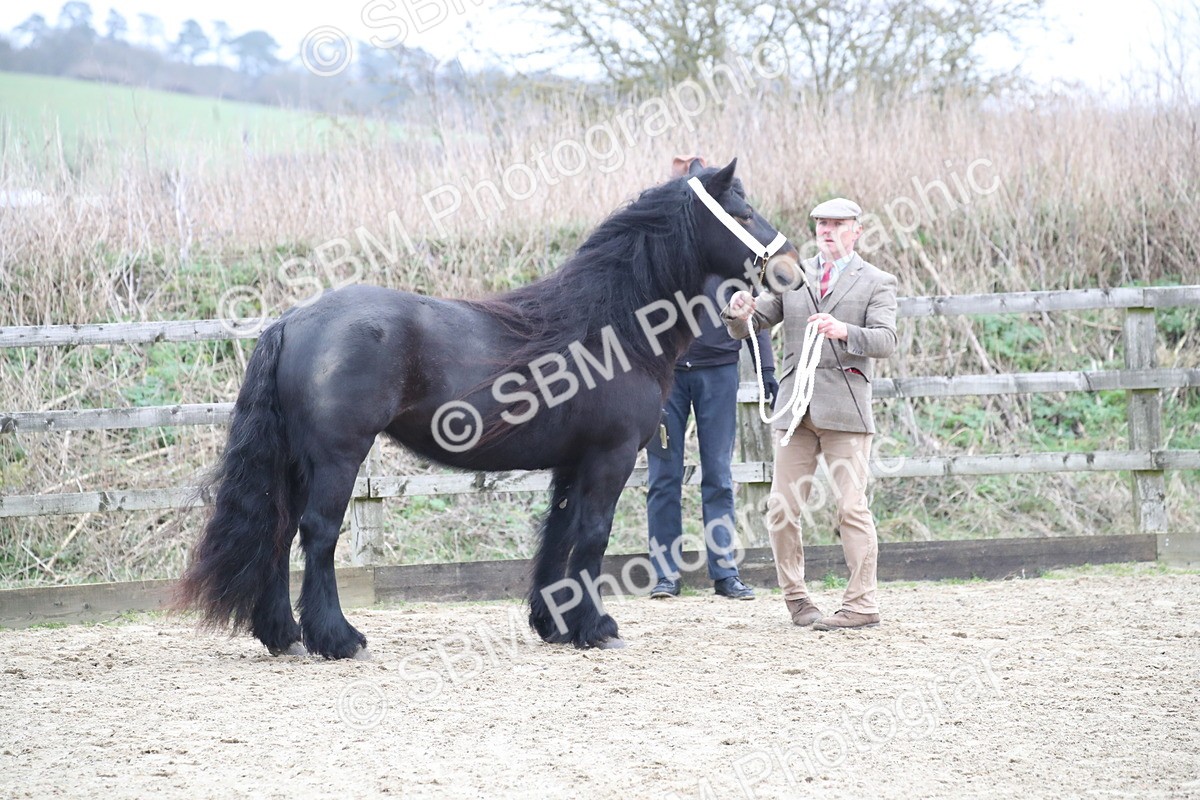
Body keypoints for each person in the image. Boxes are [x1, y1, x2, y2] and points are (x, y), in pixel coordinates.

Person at [721, 197, 898, 630]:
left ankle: (861, 604)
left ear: (857, 230)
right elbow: (754, 322)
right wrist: (738, 310)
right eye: (821, 223)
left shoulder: (876, 281)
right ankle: (797, 600)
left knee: (852, 508)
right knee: (781, 509)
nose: (827, 230)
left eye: (837, 224)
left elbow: (886, 340)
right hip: (794, 411)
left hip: (845, 409)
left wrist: (845, 332)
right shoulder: (792, 275)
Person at [646, 155, 778, 601]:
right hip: (667, 376)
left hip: (718, 370)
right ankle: (665, 573)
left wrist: (768, 371)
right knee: (663, 475)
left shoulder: (727, 249)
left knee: (718, 475)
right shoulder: (664, 251)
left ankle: (724, 571)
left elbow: (755, 309)